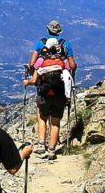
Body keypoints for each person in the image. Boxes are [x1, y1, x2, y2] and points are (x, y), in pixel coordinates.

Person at [27, 20, 77, 157]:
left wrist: (35, 77)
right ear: (59, 31)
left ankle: (41, 144)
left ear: (47, 30)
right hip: (60, 89)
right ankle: (52, 149)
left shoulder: (40, 43)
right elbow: (72, 65)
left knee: (42, 116)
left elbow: (32, 63)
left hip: (43, 86)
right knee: (55, 121)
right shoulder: (66, 44)